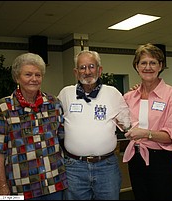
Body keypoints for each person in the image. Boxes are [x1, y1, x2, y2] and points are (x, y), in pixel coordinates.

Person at [0, 53, 68, 200]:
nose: (34, 79)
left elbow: (63, 139)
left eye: (38, 75)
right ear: (17, 78)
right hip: (22, 187)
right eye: (28, 74)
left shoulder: (53, 103)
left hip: (54, 183)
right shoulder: (3, 107)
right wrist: (2, 186)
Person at [57, 50, 131, 200]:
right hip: (74, 168)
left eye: (91, 66)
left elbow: (127, 124)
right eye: (82, 67)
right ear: (76, 72)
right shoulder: (66, 94)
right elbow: (53, 123)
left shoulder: (112, 93)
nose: (87, 71)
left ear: (99, 69)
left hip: (106, 166)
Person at [122, 43, 172, 200]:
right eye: (143, 62)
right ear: (136, 66)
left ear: (160, 66)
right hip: (136, 159)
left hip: (161, 161)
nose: (148, 67)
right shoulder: (129, 97)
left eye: (153, 62)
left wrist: (145, 133)